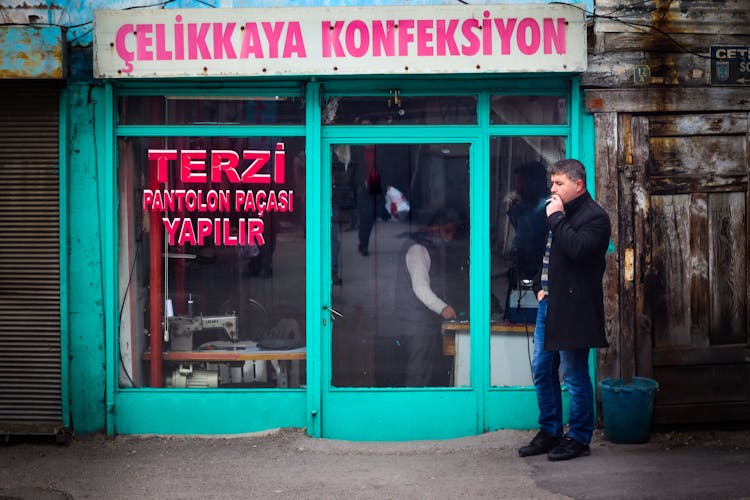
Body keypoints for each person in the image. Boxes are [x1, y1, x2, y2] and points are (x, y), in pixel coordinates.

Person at [518, 159, 611, 462]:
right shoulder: (555, 214)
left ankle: (579, 438)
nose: (552, 189)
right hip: (550, 303)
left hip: (575, 308)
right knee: (542, 369)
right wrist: (538, 289)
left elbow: (578, 249)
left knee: (573, 373)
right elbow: (539, 253)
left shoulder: (595, 217)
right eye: (552, 183)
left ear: (578, 185)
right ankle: (550, 431)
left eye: (559, 183)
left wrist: (557, 218)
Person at [390, 209, 460, 386]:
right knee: (418, 371)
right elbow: (420, 287)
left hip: (417, 319)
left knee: (423, 367)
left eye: (453, 233)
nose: (450, 238)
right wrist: (442, 308)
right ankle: (413, 410)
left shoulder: (427, 247)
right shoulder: (418, 250)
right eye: (447, 232)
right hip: (415, 322)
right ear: (434, 229)